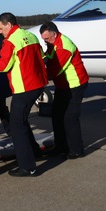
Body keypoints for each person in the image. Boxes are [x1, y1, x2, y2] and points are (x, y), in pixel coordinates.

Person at [0, 12, 48, 177]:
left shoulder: (10, 41)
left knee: (16, 126)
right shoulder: (30, 35)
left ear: (8, 24)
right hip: (37, 84)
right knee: (21, 122)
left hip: (24, 88)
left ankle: (27, 166)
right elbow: (42, 57)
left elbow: (3, 66)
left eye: (0, 28)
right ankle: (34, 152)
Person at [40, 21, 89, 159]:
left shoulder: (63, 47)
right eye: (44, 40)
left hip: (75, 85)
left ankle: (76, 149)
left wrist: (38, 78)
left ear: (55, 34)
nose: (46, 42)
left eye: (48, 39)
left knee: (70, 118)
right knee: (57, 115)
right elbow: (48, 57)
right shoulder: (52, 44)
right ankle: (60, 147)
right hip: (63, 86)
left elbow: (55, 70)